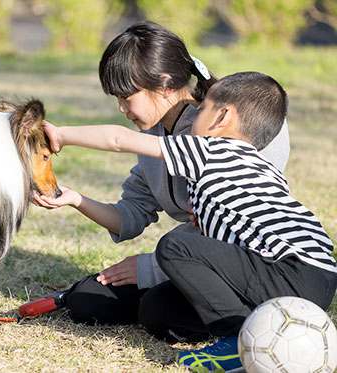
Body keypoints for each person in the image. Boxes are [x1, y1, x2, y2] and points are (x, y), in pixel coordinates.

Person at [41, 71, 337, 372]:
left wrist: (61, 135)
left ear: (221, 118)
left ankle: (235, 339)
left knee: (176, 246)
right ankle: (248, 326)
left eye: (202, 107)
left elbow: (119, 139)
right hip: (318, 276)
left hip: (288, 268)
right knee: (162, 308)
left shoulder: (207, 149)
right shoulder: (259, 166)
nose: (194, 112)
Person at [35, 20, 289, 337]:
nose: (121, 108)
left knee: (157, 310)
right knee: (87, 300)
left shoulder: (220, 134)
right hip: (188, 260)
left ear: (165, 84)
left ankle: (250, 322)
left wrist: (150, 268)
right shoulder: (153, 138)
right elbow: (128, 217)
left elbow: (232, 230)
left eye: (127, 97)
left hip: (245, 262)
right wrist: (75, 199)